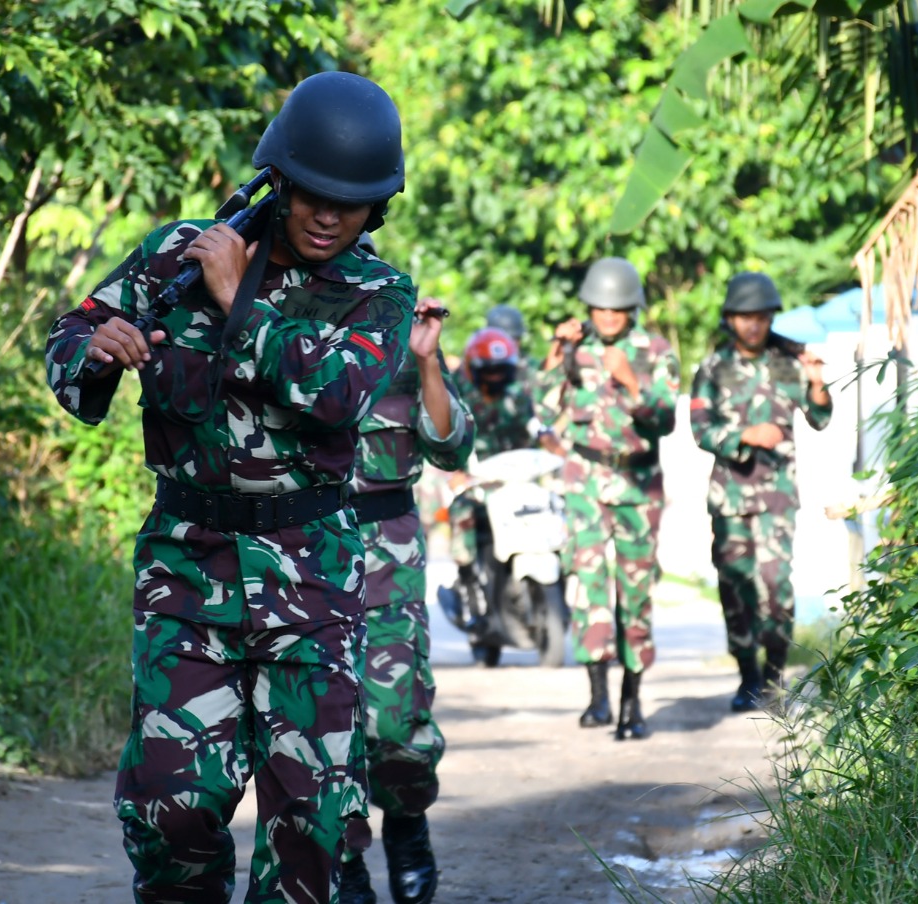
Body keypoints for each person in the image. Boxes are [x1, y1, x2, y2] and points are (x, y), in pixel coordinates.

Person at [44, 71, 415, 904]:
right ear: (278, 182)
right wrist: (95, 352)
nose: (327, 217)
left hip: (311, 581)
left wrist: (235, 302)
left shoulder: (379, 295)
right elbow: (70, 342)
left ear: (375, 208)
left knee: (311, 823)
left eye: (349, 204)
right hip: (186, 572)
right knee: (170, 813)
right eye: (314, 195)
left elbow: (339, 394)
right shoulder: (175, 254)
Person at [340, 239, 475, 904]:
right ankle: (342, 857)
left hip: (387, 544)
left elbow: (449, 446)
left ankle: (408, 819)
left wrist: (424, 365)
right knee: (315, 717)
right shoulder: (274, 326)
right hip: (297, 544)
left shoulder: (400, 327)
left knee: (396, 719)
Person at [535, 258, 680, 739]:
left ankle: (631, 703)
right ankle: (597, 696)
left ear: (632, 308)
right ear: (589, 309)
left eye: (617, 309)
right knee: (588, 583)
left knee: (635, 590)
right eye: (600, 309)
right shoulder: (575, 349)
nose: (609, 317)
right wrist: (558, 352)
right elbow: (541, 406)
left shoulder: (655, 350)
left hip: (638, 482)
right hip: (586, 479)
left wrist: (632, 382)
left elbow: (664, 421)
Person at [690, 271, 832, 713]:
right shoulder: (712, 369)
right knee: (735, 588)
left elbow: (821, 418)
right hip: (730, 498)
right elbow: (700, 429)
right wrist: (746, 435)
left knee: (775, 587)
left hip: (776, 498)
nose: (753, 324)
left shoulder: (788, 363)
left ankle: (773, 675)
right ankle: (747, 677)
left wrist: (815, 382)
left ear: (771, 317)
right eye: (744, 317)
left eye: (761, 316)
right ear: (730, 319)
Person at [444, 327, 555, 647]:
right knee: (461, 517)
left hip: (517, 480)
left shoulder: (519, 393)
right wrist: (457, 472)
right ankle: (470, 592)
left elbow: (535, 426)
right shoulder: (457, 392)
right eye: (487, 371)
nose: (494, 377)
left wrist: (550, 442)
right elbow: (443, 434)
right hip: (474, 479)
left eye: (500, 371)